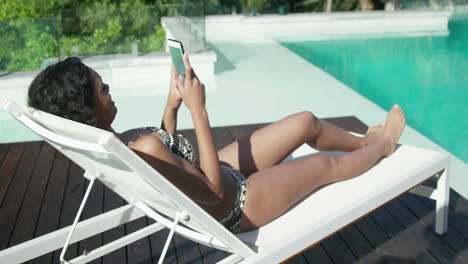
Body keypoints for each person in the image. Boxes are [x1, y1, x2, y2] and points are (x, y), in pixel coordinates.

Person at [27, 56, 406, 234]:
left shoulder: (118, 143)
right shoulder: (134, 146)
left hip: (216, 175)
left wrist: (171, 106)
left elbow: (165, 158)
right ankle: (383, 145)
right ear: (87, 108)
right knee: (324, 166)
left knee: (306, 121)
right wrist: (198, 109)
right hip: (236, 203)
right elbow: (212, 190)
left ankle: (361, 143)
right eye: (102, 90)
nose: (110, 92)